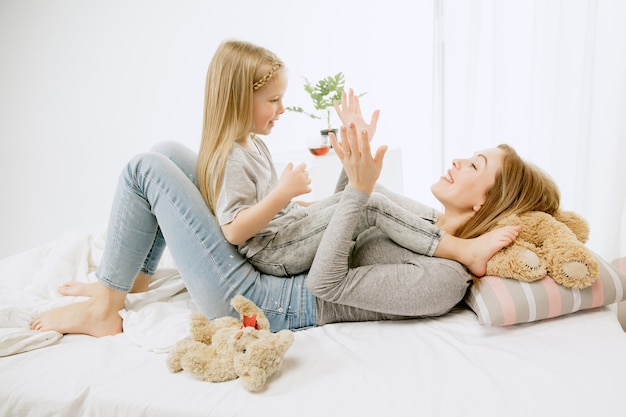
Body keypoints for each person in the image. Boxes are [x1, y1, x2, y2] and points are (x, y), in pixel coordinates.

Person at [30, 40, 562, 337]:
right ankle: (129, 280)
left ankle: (105, 308)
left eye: (473, 163)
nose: (456, 159)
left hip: (262, 300)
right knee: (168, 152)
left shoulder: (443, 279)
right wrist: (350, 161)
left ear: (484, 201)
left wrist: (357, 191)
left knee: (144, 168)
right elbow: (342, 219)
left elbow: (326, 285)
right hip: (270, 263)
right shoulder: (425, 222)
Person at [196, 40, 515, 278]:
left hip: (290, 230)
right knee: (369, 203)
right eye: (274, 100)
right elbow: (234, 232)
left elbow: (281, 210)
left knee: (368, 195)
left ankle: (437, 224)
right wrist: (283, 193)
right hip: (276, 251)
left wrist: (315, 201)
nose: (281, 109)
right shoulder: (232, 159)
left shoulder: (254, 145)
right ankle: (463, 250)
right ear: (238, 99)